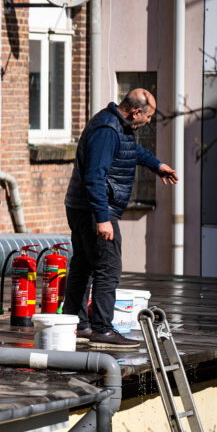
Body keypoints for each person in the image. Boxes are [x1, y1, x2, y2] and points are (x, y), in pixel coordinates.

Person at [63, 88, 179, 348]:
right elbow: (94, 176)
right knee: (108, 267)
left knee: (84, 264)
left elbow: (131, 152)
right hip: (96, 209)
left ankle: (77, 324)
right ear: (136, 111)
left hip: (84, 207)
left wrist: (156, 165)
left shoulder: (118, 126)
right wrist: (103, 219)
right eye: (149, 116)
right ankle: (103, 329)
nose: (149, 121)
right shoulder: (107, 130)